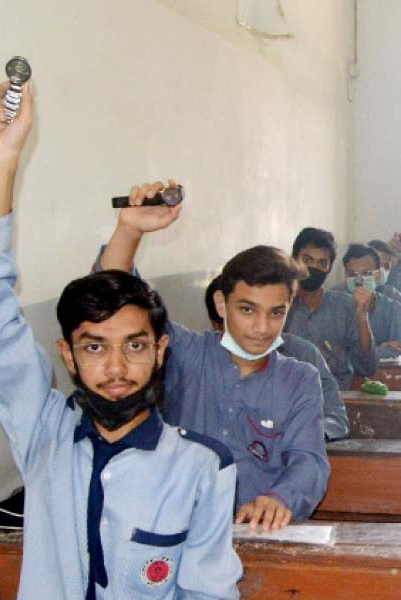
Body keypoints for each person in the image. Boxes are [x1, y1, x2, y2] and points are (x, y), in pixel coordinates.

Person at [0, 82, 241, 599]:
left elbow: (207, 592)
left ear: (160, 351)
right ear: (67, 355)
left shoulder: (202, 467)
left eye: (134, 346)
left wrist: (127, 235)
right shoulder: (46, 437)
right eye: (92, 346)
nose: (114, 366)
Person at [97, 194, 330, 530]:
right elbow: (118, 300)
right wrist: (129, 230)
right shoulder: (185, 352)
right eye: (247, 310)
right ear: (221, 304)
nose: (262, 328)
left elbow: (309, 461)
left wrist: (280, 499)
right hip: (175, 529)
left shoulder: (300, 379)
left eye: (276, 312)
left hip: (254, 534)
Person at [205, 275, 349, 439]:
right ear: (216, 325)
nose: (260, 330)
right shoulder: (199, 366)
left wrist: (302, 435)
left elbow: (336, 418)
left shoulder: (303, 354)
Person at [284, 227, 378, 391]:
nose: (313, 268)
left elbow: (366, 367)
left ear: (329, 268)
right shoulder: (278, 306)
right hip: (287, 396)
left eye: (322, 263)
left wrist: (363, 318)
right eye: (307, 260)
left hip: (334, 399)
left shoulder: (344, 306)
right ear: (294, 260)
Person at [341, 244, 401, 359]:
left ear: (377, 275)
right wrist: (380, 349)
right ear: (345, 275)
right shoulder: (335, 307)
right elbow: (332, 353)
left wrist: (361, 353)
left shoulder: (394, 309)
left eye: (366, 273)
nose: (359, 280)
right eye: (352, 274)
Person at [367, 239, 401, 334]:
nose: (381, 270)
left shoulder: (393, 295)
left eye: (386, 266)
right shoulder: (343, 293)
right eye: (378, 265)